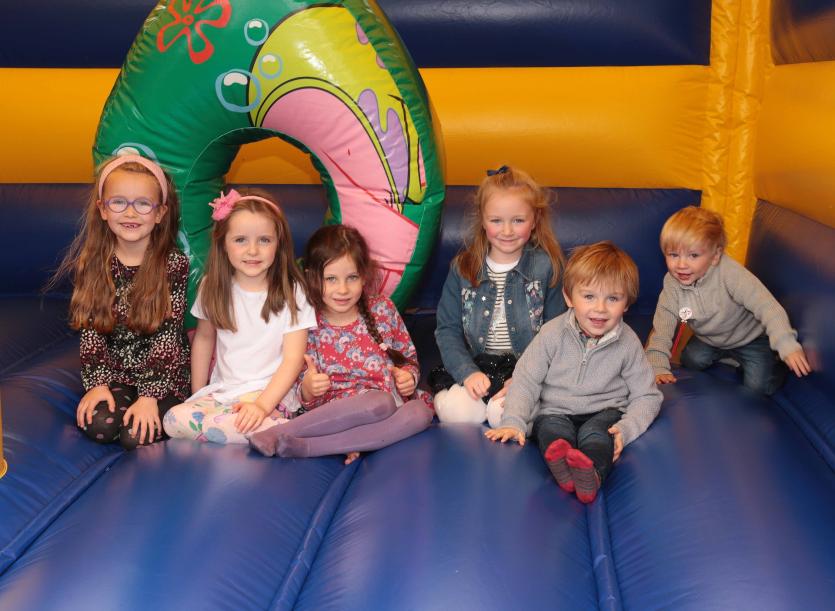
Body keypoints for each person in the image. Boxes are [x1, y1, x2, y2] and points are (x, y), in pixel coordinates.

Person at [487, 242, 662, 503]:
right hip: (556, 411)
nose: (600, 308)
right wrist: (514, 421)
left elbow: (648, 396)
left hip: (605, 412)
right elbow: (525, 381)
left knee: (599, 438)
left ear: (627, 303)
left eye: (613, 298)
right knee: (551, 433)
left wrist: (626, 429)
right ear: (569, 297)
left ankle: (591, 476)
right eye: (589, 296)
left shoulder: (628, 342)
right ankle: (564, 471)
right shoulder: (552, 334)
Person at [249, 224, 434, 464]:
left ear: (364, 275)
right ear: (311, 276)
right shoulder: (307, 320)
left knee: (420, 412)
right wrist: (308, 388)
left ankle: (311, 447)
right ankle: (276, 434)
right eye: (331, 279)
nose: (343, 289)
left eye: (352, 278)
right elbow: (297, 380)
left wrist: (408, 378)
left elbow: (407, 357)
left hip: (391, 409)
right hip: (336, 413)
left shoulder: (382, 309)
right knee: (378, 402)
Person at [49, 154, 190, 449]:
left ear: (160, 213)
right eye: (118, 202)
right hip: (117, 373)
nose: (130, 213)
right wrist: (98, 384)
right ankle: (122, 397)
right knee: (99, 426)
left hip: (164, 375)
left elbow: (167, 338)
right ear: (102, 209)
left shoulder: (172, 263)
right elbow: (91, 329)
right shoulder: (94, 262)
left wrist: (150, 397)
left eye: (143, 203)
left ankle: (154, 403)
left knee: (136, 436)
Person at [163, 189, 315, 443]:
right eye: (241, 240)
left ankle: (275, 428)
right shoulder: (213, 285)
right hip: (223, 394)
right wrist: (199, 394)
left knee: (228, 424)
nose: (252, 250)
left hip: (270, 396)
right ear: (223, 243)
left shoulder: (292, 291)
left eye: (264, 240)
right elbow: (203, 339)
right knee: (171, 420)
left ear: (279, 244)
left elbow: (293, 360)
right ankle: (262, 434)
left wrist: (261, 406)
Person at [433, 165, 566, 425]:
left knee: (505, 417)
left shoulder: (545, 267)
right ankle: (452, 398)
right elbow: (447, 329)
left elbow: (557, 332)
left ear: (534, 220)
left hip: (525, 368)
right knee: (458, 416)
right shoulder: (463, 268)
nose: (507, 231)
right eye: (496, 221)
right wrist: (467, 372)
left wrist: (527, 378)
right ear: (483, 220)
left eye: (518, 220)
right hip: (477, 366)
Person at [646, 206, 811, 395]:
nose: (681, 265)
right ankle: (730, 358)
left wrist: (786, 344)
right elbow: (663, 325)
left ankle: (773, 363)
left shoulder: (731, 275)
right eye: (673, 255)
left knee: (759, 387)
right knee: (691, 360)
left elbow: (767, 306)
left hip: (750, 339)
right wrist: (657, 366)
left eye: (693, 255)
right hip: (710, 339)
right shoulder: (672, 283)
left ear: (715, 255)